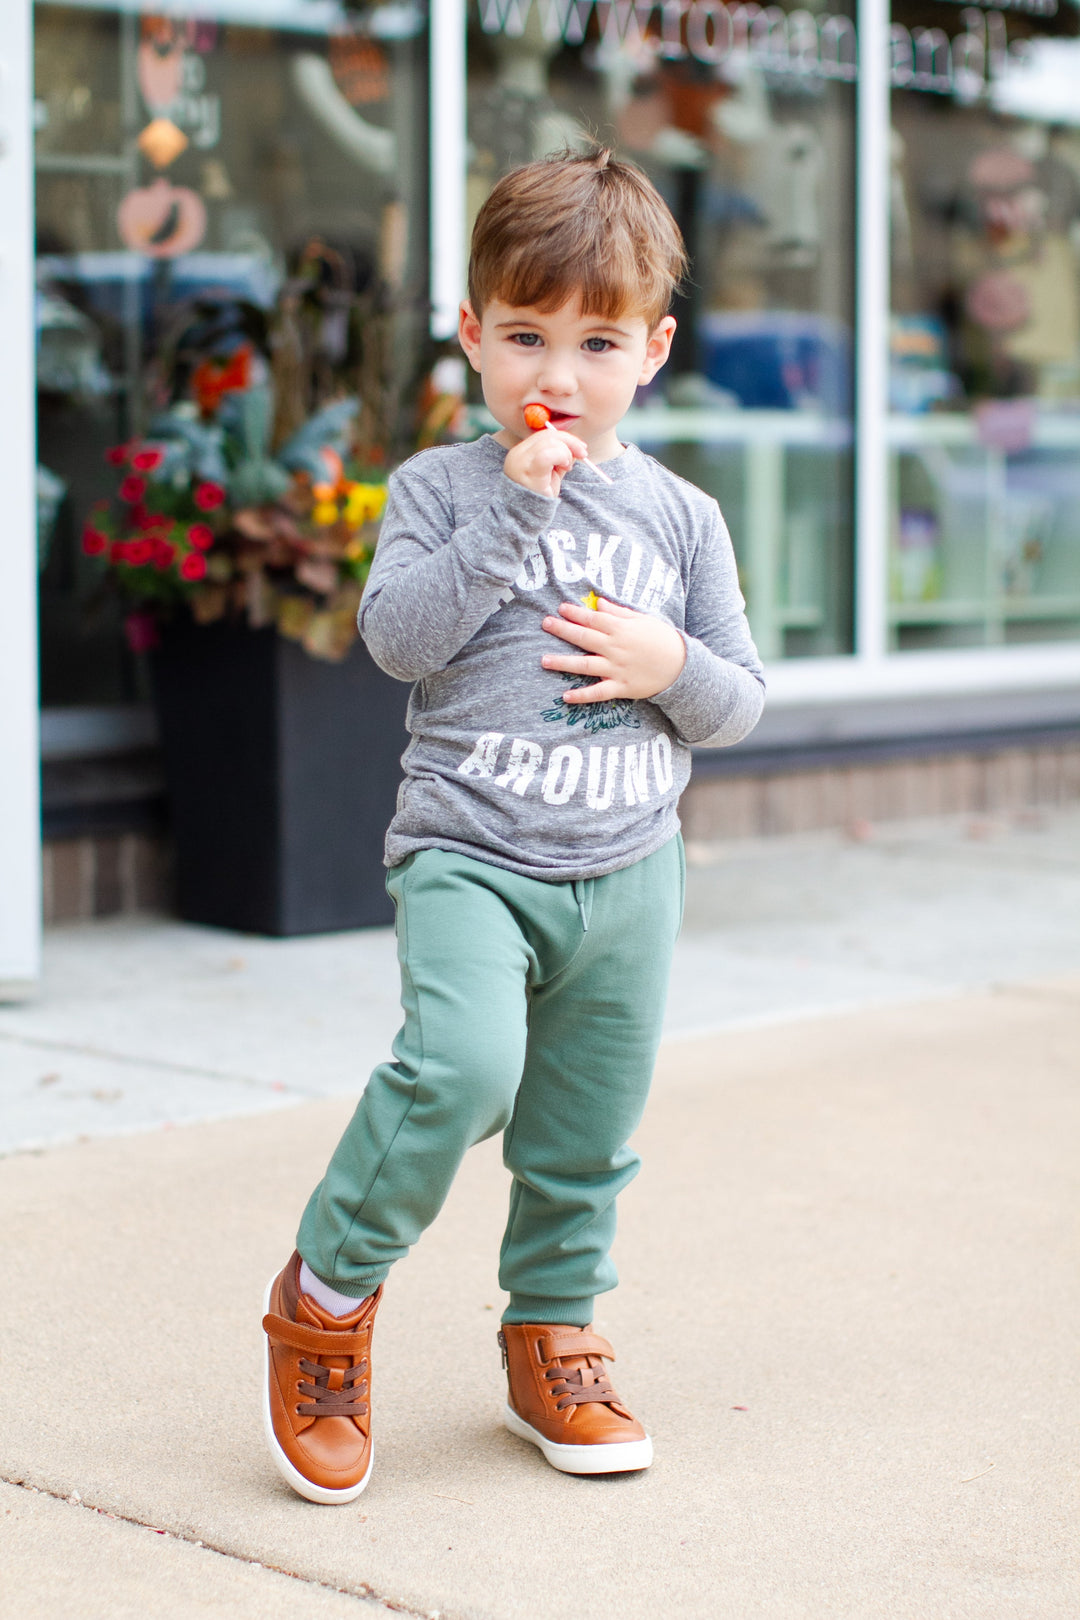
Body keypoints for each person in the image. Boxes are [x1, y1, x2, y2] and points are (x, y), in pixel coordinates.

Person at [262, 147, 765, 1503]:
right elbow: (397, 641)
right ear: (475, 334)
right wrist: (512, 511)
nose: (562, 372)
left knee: (585, 1130)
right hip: (470, 855)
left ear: (652, 351)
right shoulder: (440, 489)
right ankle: (325, 1296)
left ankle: (553, 1333)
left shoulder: (682, 518)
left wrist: (670, 664)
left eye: (599, 342)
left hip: (629, 868)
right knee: (462, 1072)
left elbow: (737, 701)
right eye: (528, 335)